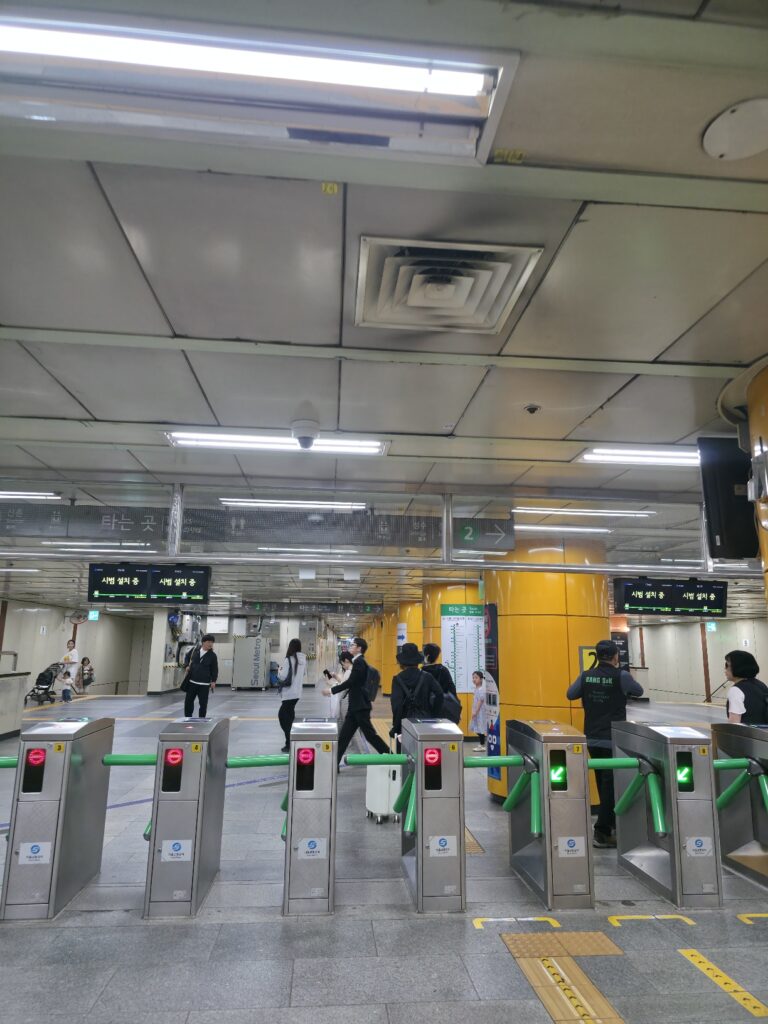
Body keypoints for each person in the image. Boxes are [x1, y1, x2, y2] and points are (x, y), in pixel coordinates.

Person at [566, 639, 644, 849]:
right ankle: (602, 831)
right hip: (613, 737)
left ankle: (608, 824)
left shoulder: (585, 676)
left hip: (592, 736)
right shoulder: (622, 676)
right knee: (610, 782)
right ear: (615, 656)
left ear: (597, 656)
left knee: (603, 780)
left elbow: (570, 694)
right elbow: (639, 691)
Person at [322, 637, 389, 763]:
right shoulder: (358, 661)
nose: (351, 647)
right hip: (355, 707)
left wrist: (331, 691)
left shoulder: (359, 662)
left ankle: (392, 757)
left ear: (359, 648)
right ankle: (334, 763)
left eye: (353, 645)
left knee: (370, 736)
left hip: (360, 707)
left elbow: (351, 682)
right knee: (344, 737)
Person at [390, 643, 444, 739]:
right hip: (425, 721)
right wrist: (435, 715)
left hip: (404, 722)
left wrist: (396, 726)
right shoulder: (427, 676)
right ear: (417, 661)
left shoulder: (397, 679)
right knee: (423, 749)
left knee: (403, 751)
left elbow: (396, 706)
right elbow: (439, 694)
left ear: (402, 662)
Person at [277, 638, 306, 751]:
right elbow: (303, 674)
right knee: (290, 716)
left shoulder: (288, 659)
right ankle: (290, 742)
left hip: (289, 693)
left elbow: (282, 676)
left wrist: (279, 670)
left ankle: (290, 743)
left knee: (283, 717)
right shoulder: (303, 659)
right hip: (297, 693)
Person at [725, 650, 768, 724]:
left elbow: (734, 725)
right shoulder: (761, 685)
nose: (725, 670)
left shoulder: (736, 690)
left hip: (748, 734)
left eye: (727, 666)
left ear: (738, 667)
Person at [183, 633, 218, 719]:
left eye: (212, 642)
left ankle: (202, 719)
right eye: (209, 642)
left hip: (204, 684)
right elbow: (187, 657)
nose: (210, 644)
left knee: (203, 704)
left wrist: (213, 681)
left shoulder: (213, 656)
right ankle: (188, 718)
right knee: (188, 702)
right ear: (203, 642)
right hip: (192, 682)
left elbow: (215, 669)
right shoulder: (195, 650)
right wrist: (187, 665)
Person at [324, 650, 353, 719]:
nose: (343, 666)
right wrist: (335, 677)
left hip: (347, 699)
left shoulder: (349, 671)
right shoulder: (352, 670)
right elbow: (344, 683)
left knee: (345, 719)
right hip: (349, 699)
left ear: (346, 661)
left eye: (342, 664)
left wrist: (330, 690)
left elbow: (343, 686)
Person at [470, 670, 486, 752]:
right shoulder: (476, 688)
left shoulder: (481, 689)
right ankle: (482, 744)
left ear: (481, 679)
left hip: (480, 712)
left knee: (480, 728)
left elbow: (480, 701)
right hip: (477, 710)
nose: (474, 679)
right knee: (477, 728)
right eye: (473, 677)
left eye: (476, 677)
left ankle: (482, 745)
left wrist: (475, 712)